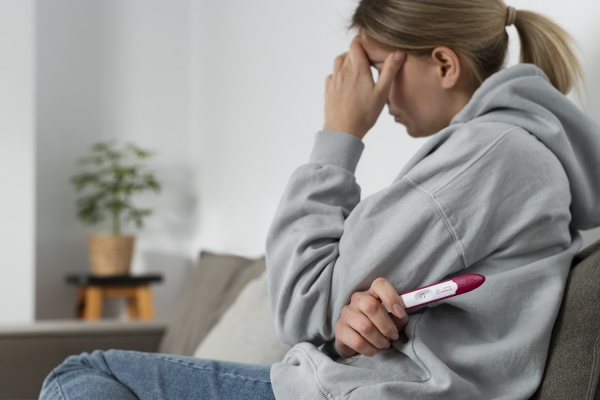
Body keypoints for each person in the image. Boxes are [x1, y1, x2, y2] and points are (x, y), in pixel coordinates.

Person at [40, 0, 600, 399]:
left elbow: (302, 307)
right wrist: (358, 322)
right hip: (373, 385)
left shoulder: (488, 157)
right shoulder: (507, 154)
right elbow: (336, 313)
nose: (373, 92)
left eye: (377, 67)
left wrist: (339, 133)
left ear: (444, 65)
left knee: (83, 375)